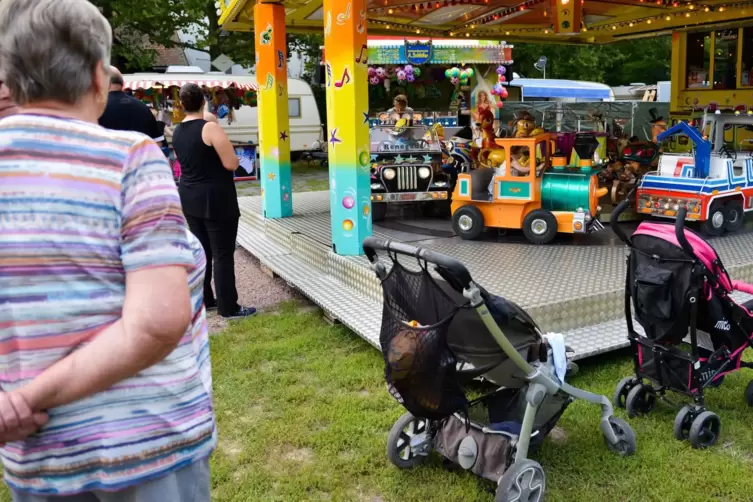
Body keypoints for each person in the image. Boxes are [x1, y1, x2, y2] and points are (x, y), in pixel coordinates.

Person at [0, 0, 215, 499]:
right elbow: (158, 322)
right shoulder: (130, 159)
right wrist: (31, 398)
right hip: (147, 444)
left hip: (40, 456)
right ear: (100, 77)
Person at [172, 83, 256, 320]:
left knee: (203, 251)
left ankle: (206, 299)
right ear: (203, 101)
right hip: (216, 198)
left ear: (181, 104)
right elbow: (231, 163)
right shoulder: (210, 128)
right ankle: (228, 307)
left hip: (189, 196)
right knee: (222, 253)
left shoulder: (177, 130)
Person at [98, 66, 164, 142]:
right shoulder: (143, 108)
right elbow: (157, 141)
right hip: (139, 153)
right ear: (122, 83)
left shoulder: (97, 108)